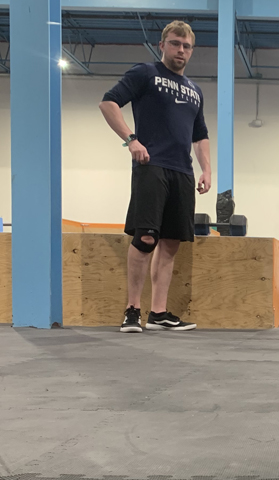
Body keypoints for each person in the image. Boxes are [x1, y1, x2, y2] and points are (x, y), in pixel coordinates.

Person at [99, 20, 210, 333]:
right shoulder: (145, 73)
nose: (181, 50)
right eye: (175, 43)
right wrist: (130, 140)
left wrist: (207, 168)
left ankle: (158, 313)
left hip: (182, 171)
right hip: (152, 165)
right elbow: (108, 103)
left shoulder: (194, 90)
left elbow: (200, 135)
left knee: (172, 243)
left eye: (187, 46)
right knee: (146, 238)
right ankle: (132, 309)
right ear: (162, 45)